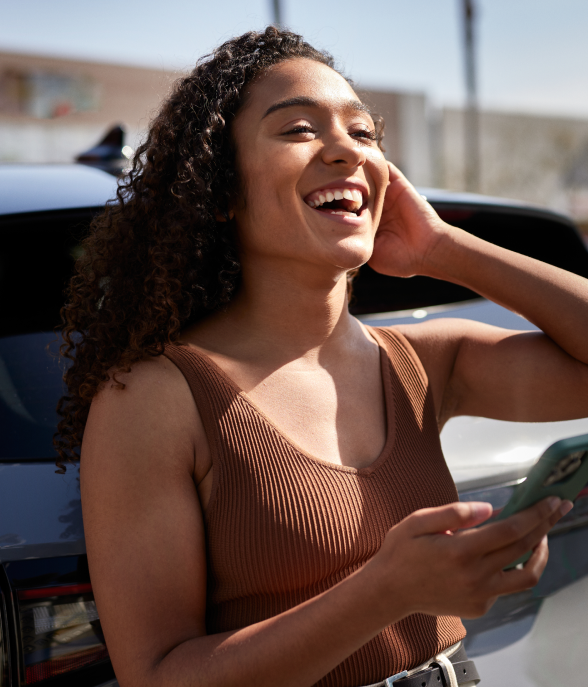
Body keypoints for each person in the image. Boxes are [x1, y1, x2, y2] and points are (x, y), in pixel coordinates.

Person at [56, 26, 588, 687]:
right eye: (299, 129)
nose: (345, 149)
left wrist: (445, 248)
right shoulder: (157, 397)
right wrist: (385, 592)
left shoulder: (425, 359)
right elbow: (160, 676)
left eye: (364, 135)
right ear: (222, 190)